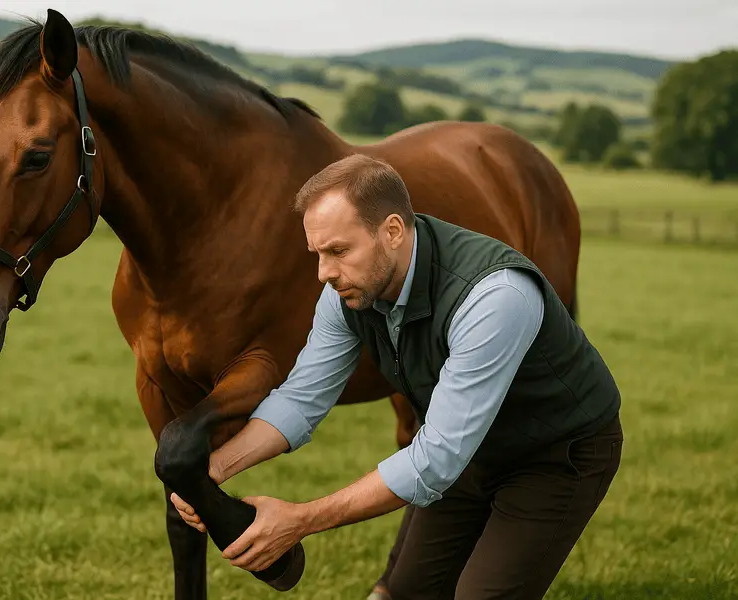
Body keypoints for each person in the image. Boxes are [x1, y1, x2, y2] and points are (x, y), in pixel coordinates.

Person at [171, 153, 624, 600]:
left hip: (555, 455)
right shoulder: (348, 290)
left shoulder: (494, 297)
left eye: (339, 251)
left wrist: (300, 520)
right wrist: (215, 470)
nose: (324, 272)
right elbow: (301, 399)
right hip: (468, 451)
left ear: (391, 231)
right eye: (318, 253)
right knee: (405, 592)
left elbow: (434, 460)